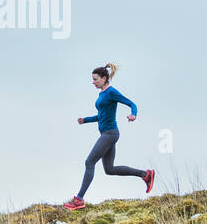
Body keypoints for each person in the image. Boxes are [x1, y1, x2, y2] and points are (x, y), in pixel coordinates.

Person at [63, 63, 155, 210]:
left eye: (95, 79)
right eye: (92, 79)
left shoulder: (111, 92)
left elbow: (132, 103)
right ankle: (145, 174)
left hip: (110, 134)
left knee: (89, 162)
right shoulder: (102, 94)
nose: (93, 82)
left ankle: (79, 200)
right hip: (107, 134)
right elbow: (102, 116)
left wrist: (133, 114)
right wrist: (85, 120)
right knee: (109, 169)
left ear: (104, 78)